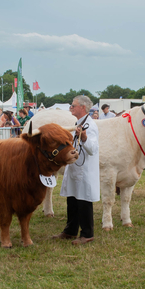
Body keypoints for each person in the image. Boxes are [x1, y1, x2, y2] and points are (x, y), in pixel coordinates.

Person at [53, 95, 100, 245]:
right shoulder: (78, 123)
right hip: (75, 167)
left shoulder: (90, 126)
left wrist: (85, 138)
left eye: (73, 105)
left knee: (83, 201)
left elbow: (93, 149)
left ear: (83, 108)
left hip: (84, 170)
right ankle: (70, 230)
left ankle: (87, 234)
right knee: (72, 199)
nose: (71, 107)